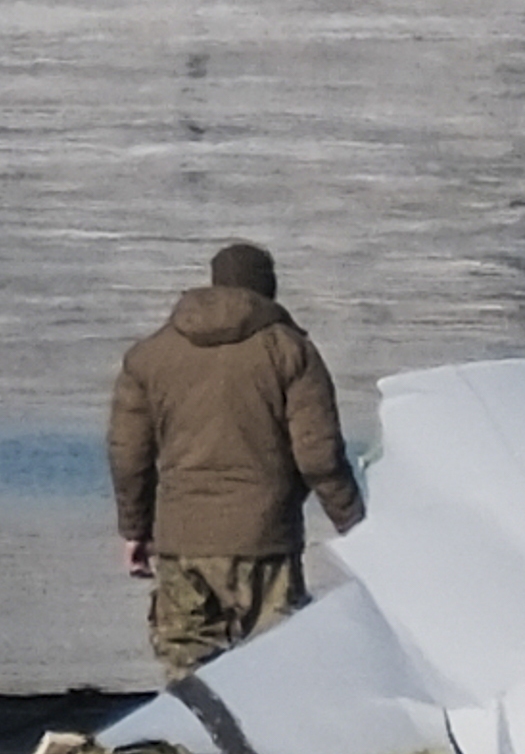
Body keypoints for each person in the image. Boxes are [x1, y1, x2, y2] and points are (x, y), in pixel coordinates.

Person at [108, 240, 363, 681]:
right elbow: (319, 455)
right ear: (270, 290)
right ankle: (273, 749)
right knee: (277, 670)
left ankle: (196, 744)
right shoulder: (291, 351)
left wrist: (135, 529)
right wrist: (355, 525)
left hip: (181, 541)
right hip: (267, 540)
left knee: (188, 670)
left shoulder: (148, 356)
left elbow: (129, 455)